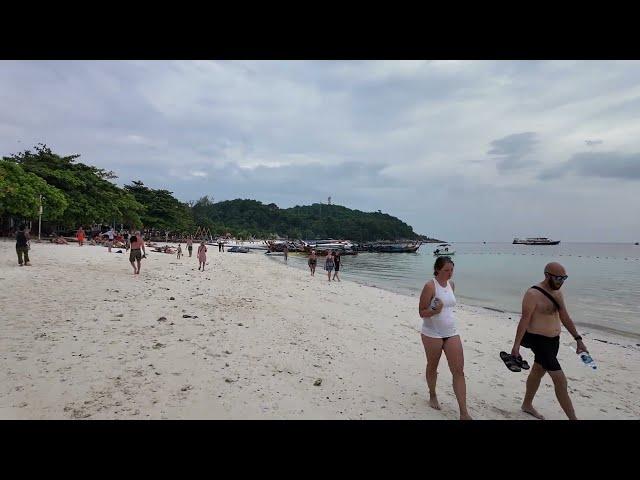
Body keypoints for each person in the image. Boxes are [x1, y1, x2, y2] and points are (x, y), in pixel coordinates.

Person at [509, 262, 587, 420]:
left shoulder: (558, 293)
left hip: (553, 341)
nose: (561, 282)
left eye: (564, 278)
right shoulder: (532, 294)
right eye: (558, 278)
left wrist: (578, 339)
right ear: (547, 275)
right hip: (538, 341)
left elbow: (564, 316)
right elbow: (524, 320)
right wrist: (516, 346)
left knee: (538, 371)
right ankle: (573, 418)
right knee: (560, 380)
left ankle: (526, 405)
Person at [418, 256, 472, 420]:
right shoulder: (429, 286)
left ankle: (464, 412)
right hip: (432, 333)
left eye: (452, 270)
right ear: (437, 270)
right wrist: (434, 311)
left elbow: (448, 307)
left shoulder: (452, 285)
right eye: (446, 270)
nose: (450, 273)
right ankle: (432, 394)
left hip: (451, 332)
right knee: (433, 367)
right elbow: (421, 312)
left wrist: (440, 309)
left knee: (458, 371)